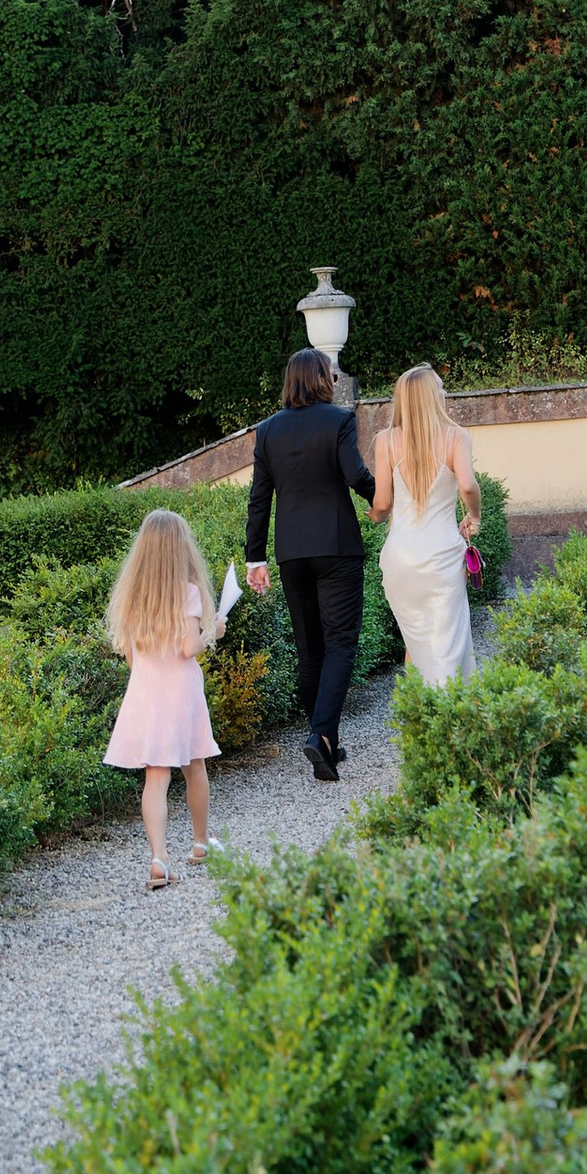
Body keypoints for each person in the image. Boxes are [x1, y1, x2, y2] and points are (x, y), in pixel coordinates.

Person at [243, 349, 375, 784]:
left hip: (291, 553)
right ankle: (320, 734)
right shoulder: (338, 420)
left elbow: (259, 499)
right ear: (321, 378)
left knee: (309, 649)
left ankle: (326, 741)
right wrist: (384, 499)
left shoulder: (268, 430)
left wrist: (255, 557)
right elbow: (355, 475)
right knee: (341, 643)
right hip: (336, 548)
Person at [103, 509, 225, 885]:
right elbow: (189, 647)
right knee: (195, 766)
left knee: (155, 778)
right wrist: (213, 631)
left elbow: (130, 657)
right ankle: (201, 843)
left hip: (146, 693)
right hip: (181, 694)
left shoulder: (133, 597)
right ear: (181, 549)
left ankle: (159, 858)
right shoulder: (187, 592)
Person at [372, 362, 483, 688]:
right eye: (441, 388)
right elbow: (468, 485)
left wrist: (373, 517)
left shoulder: (385, 441)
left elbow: (382, 504)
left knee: (417, 643)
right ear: (430, 397)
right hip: (442, 558)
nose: (445, 392)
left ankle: (418, 711)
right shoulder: (455, 437)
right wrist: (474, 516)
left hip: (400, 559)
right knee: (447, 648)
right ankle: (448, 711)